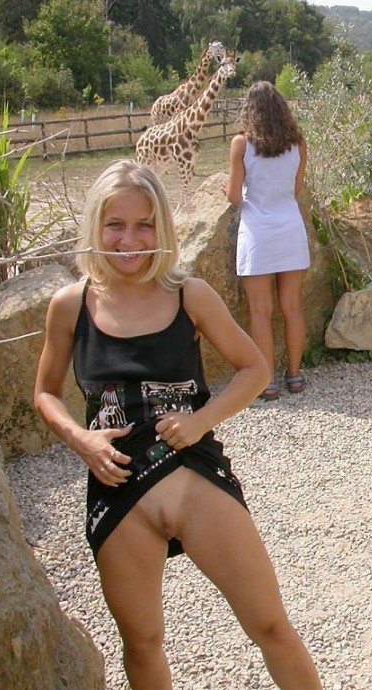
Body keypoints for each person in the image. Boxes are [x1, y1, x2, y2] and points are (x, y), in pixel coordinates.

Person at [33, 160, 322, 690]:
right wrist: (81, 439)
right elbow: (45, 393)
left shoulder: (189, 295)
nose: (129, 239)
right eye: (114, 225)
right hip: (116, 485)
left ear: (162, 228)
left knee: (270, 624)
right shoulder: (69, 306)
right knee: (141, 646)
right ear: (95, 228)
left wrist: (201, 420)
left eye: (144, 224)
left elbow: (255, 368)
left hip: (192, 471)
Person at [226, 81, 309, 401]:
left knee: (261, 311)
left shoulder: (241, 145)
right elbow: (297, 189)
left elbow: (234, 196)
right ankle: (296, 375)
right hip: (290, 229)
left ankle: (267, 381)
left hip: (258, 234)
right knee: (292, 308)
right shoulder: (298, 144)